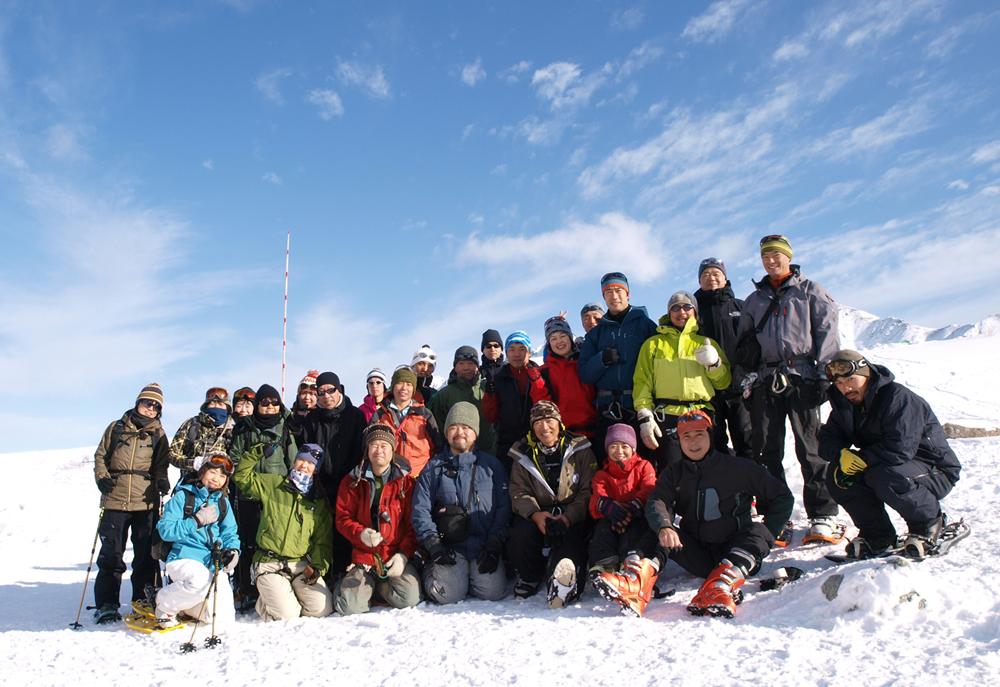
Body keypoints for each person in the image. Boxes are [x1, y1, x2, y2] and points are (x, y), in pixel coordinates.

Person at [594, 411, 793, 618]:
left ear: (710, 435)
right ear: (679, 440)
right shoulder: (675, 472)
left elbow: (783, 497)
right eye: (686, 437)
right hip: (699, 553)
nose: (693, 442)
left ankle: (720, 587)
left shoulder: (738, 467)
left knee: (758, 530)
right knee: (658, 526)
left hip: (736, 553)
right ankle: (637, 582)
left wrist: (769, 532)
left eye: (699, 434)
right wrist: (664, 526)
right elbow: (657, 500)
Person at [736, 234, 841, 543]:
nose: (771, 261)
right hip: (766, 380)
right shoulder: (754, 301)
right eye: (765, 256)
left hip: (803, 375)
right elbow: (745, 343)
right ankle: (775, 514)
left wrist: (824, 374)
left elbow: (827, 333)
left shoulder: (811, 292)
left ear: (789, 256)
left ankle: (823, 514)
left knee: (810, 447)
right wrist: (748, 377)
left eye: (776, 255)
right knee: (766, 450)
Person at [819, 350, 962, 559]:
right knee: (838, 475)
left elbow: (901, 448)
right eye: (839, 384)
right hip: (888, 465)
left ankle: (929, 525)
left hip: (934, 470)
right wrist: (841, 454)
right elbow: (827, 440)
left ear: (866, 373)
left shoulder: (897, 397)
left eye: (850, 379)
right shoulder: (845, 405)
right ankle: (878, 537)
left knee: (884, 475)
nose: (845, 388)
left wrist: (862, 459)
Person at [412, 402, 510, 605]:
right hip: (449, 548)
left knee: (493, 593)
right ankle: (436, 571)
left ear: (475, 432)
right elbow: (420, 509)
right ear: (446, 432)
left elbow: (503, 507)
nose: (460, 433)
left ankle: (467, 576)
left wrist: (494, 544)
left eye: (466, 427)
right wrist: (434, 546)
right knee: (447, 595)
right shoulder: (433, 468)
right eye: (454, 427)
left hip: (483, 546)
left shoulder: (491, 466)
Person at [91, 383, 171, 623]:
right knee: (111, 554)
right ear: (138, 402)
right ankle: (107, 603)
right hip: (114, 498)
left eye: (156, 406)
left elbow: (161, 465)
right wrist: (102, 478)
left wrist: (161, 481)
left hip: (145, 501)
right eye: (147, 403)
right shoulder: (115, 428)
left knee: (146, 555)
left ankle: (143, 598)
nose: (151, 408)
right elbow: (100, 456)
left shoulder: (159, 434)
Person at [507, 401, 597, 608]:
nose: (544, 428)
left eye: (549, 421)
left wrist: (568, 517)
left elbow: (587, 490)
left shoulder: (579, 447)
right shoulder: (522, 452)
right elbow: (518, 491)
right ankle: (530, 576)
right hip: (540, 512)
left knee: (570, 543)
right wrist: (536, 515)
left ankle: (563, 584)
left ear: (559, 423)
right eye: (538, 423)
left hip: (572, 513)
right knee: (519, 535)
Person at [232, 442, 335, 620]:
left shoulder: (317, 502)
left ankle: (280, 596)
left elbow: (322, 541)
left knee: (321, 609)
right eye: (301, 460)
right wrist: (257, 452)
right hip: (268, 563)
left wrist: (318, 568)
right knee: (288, 615)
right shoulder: (274, 484)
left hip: (300, 565)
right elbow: (241, 477)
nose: (304, 465)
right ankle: (268, 601)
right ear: (294, 462)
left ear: (316, 469)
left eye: (310, 463)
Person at [633, 291, 731, 473]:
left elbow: (723, 383)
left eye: (687, 307)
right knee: (673, 474)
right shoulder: (653, 344)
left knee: (708, 472)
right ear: (669, 313)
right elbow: (642, 382)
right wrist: (645, 415)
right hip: (668, 417)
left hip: (702, 414)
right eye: (675, 308)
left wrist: (714, 364)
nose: (682, 312)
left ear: (695, 311)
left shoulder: (706, 342)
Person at [334, 424, 420, 614]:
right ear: (367, 449)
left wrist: (404, 555)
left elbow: (412, 525)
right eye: (374, 445)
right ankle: (351, 583)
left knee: (409, 597)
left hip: (393, 554)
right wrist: (360, 533)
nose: (379, 450)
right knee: (349, 607)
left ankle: (377, 587)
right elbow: (342, 518)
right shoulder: (353, 481)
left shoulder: (406, 483)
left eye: (384, 445)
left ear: (392, 450)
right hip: (364, 555)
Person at [227, 384, 297, 612]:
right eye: (265, 403)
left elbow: (293, 462)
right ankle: (248, 589)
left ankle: (274, 587)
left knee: (271, 542)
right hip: (248, 494)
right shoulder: (245, 429)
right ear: (257, 405)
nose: (270, 407)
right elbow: (234, 458)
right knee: (249, 541)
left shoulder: (286, 428)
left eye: (274, 402)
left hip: (276, 496)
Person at [153, 453, 241, 630]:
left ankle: (185, 606)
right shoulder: (183, 496)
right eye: (213, 472)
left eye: (222, 476)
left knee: (221, 618)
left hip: (210, 561)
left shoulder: (223, 502)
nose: (217, 479)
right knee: (199, 581)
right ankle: (164, 605)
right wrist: (196, 520)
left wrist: (233, 551)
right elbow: (166, 530)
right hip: (183, 556)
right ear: (202, 472)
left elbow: (230, 532)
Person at [578, 272, 658, 460]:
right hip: (607, 409)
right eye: (608, 292)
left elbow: (659, 364)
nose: (614, 296)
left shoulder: (646, 326)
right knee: (608, 462)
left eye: (619, 290)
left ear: (628, 294)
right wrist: (602, 359)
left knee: (644, 461)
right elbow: (585, 374)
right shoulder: (596, 335)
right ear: (604, 297)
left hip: (639, 406)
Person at [301, 371, 366, 575]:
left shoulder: (355, 416)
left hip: (349, 481)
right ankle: (326, 572)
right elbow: (306, 448)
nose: (326, 396)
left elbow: (361, 449)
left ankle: (347, 571)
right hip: (321, 483)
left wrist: (354, 476)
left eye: (331, 390)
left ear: (339, 390)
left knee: (346, 528)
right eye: (321, 392)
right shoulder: (312, 419)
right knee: (323, 530)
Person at [693, 258, 752, 458]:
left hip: (739, 388)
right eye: (706, 275)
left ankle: (747, 487)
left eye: (716, 273)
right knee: (714, 442)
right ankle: (724, 488)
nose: (711, 278)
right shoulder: (693, 311)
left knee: (746, 440)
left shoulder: (741, 307)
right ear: (699, 280)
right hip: (708, 390)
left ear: (725, 278)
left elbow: (751, 343)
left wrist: (744, 374)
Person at [588, 424, 657, 576]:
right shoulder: (602, 474)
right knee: (602, 529)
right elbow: (597, 496)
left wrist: (634, 506)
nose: (619, 451)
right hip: (613, 518)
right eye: (613, 446)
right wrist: (609, 508)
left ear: (633, 448)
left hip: (637, 514)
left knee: (633, 531)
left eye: (624, 446)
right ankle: (604, 563)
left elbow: (649, 487)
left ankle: (630, 562)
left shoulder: (643, 466)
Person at [529, 315, 597, 439]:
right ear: (549, 343)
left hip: (596, 430)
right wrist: (536, 381)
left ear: (570, 338)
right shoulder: (544, 372)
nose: (559, 341)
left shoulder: (585, 362)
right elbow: (543, 405)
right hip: (566, 435)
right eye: (553, 338)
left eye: (563, 336)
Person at [483, 330, 540, 474]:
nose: (517, 354)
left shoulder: (539, 374)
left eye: (522, 349)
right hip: (508, 444)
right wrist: (490, 394)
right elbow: (490, 416)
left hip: (538, 441)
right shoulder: (499, 378)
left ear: (529, 352)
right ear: (506, 353)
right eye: (512, 349)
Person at [370, 367, 442, 476]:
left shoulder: (424, 414)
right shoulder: (380, 415)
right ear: (393, 387)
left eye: (409, 384)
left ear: (413, 389)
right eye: (400, 383)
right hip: (389, 477)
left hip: (419, 477)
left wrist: (429, 471)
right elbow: (369, 445)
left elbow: (438, 446)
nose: (404, 388)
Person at [429, 345, 498, 455]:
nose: (466, 368)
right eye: (461, 364)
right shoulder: (443, 395)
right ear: (455, 367)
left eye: (470, 363)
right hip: (456, 455)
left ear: (477, 366)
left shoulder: (489, 388)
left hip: (490, 454)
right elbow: (437, 428)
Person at [169, 387, 236, 476]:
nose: (216, 407)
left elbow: (238, 460)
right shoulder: (191, 424)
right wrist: (192, 463)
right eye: (212, 404)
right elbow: (171, 454)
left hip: (219, 485)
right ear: (206, 406)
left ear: (227, 408)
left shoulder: (234, 429)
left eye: (220, 404)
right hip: (190, 483)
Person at [287, 370, 319, 441]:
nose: (307, 397)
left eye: (311, 394)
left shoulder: (322, 419)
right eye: (304, 393)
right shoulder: (290, 418)